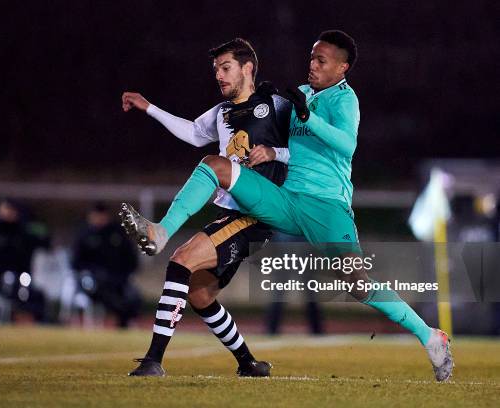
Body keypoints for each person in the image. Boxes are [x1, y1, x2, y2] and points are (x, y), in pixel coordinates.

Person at [121, 30, 454, 382]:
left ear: (342, 68)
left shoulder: (343, 100)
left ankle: (430, 336)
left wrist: (307, 116)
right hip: (286, 201)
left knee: (358, 284)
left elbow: (347, 145)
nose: (312, 65)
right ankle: (161, 230)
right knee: (215, 165)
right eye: (311, 57)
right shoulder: (299, 96)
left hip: (326, 208)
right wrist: (272, 149)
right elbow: (288, 146)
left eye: (321, 60)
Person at [121, 38, 292, 376]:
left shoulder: (277, 106)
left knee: (182, 254)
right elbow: (193, 132)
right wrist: (149, 107)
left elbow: (308, 151)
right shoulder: (222, 113)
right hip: (232, 214)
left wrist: (275, 153)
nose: (219, 75)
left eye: (225, 68)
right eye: (216, 70)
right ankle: (248, 363)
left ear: (248, 68)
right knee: (199, 292)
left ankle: (154, 360)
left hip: (256, 215)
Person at [0, 198, 50, 322]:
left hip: (18, 279)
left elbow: (43, 243)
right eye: (7, 209)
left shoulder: (21, 231)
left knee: (37, 295)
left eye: (12, 210)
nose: (10, 213)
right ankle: (6, 319)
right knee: (13, 292)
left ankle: (43, 323)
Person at [71, 203, 141, 328]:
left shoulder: (117, 233)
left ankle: (125, 325)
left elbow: (131, 259)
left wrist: (125, 274)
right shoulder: (84, 235)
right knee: (111, 297)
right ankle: (121, 320)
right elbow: (76, 262)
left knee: (133, 296)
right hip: (93, 281)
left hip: (117, 279)